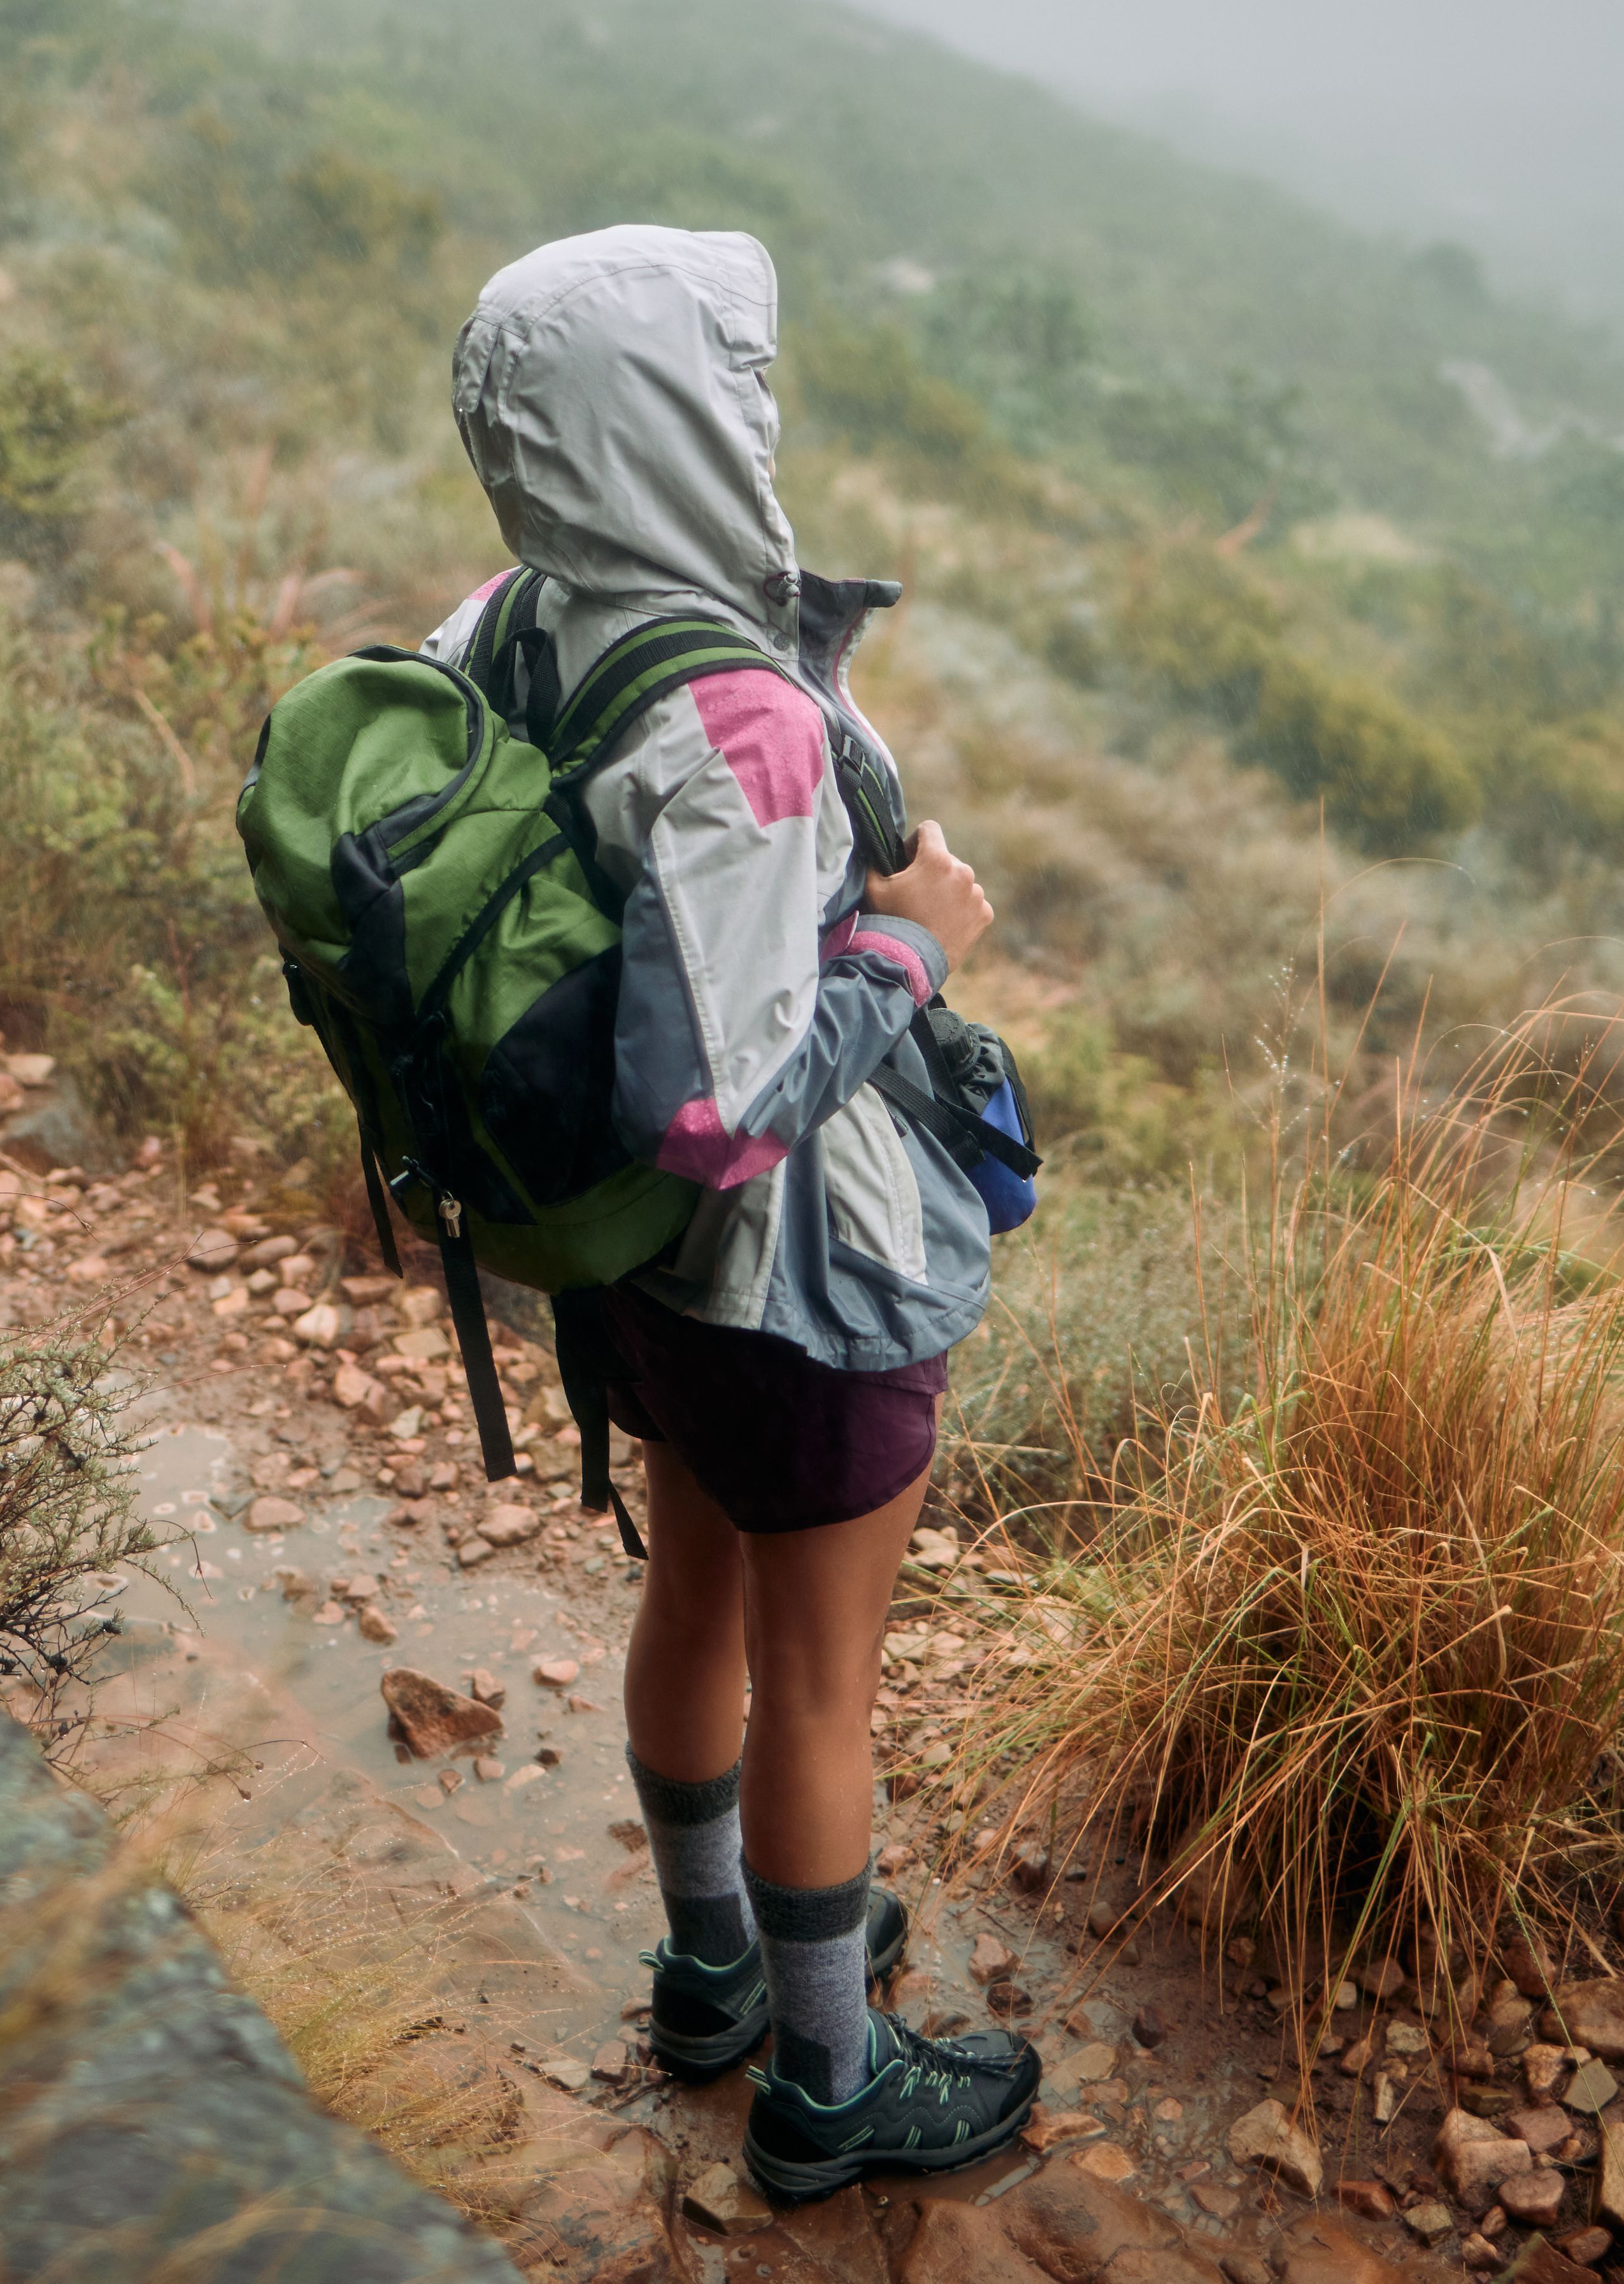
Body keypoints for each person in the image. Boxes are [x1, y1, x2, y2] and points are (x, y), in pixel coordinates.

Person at [431, 224, 1041, 2201]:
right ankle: (831, 2091)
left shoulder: (509, 622)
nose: (757, 415)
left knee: (689, 1598)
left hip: (623, 1278)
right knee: (825, 1688)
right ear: (674, 425)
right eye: (733, 387)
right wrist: (911, 947)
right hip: (785, 1278)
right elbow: (720, 1111)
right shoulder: (747, 725)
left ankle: (712, 1975)